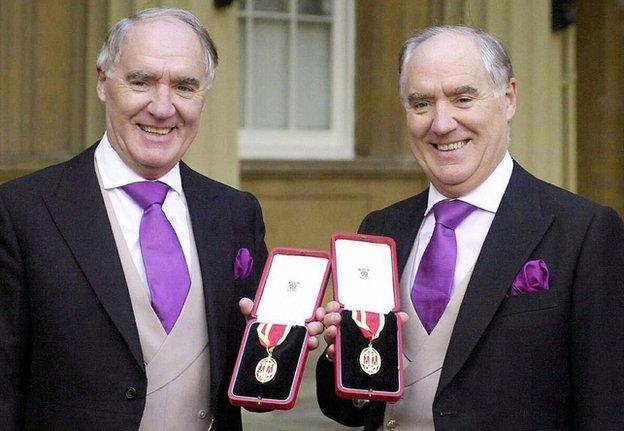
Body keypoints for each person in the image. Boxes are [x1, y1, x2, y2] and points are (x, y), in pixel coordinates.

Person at [316, 25, 624, 430]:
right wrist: (339, 360)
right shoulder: (382, 228)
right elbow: (352, 408)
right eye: (421, 103)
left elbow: (607, 406)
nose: (442, 123)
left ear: (508, 98)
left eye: (463, 98)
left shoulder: (583, 232)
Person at [0, 8, 269, 430]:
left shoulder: (235, 213)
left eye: (184, 86)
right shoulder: (22, 212)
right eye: (141, 81)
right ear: (103, 82)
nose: (162, 108)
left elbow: (253, 383)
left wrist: (288, 347)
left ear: (204, 95)